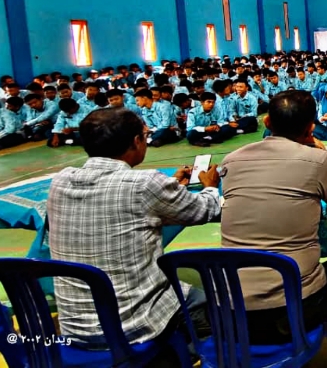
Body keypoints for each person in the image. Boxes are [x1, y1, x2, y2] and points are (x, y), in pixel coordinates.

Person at [47, 108, 221, 365]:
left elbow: (119, 203)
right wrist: (209, 186)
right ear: (137, 141)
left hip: (75, 328)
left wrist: (172, 185)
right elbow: (204, 210)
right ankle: (182, 353)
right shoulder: (145, 183)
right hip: (132, 327)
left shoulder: (60, 181)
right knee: (211, 302)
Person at [219, 90, 327, 366]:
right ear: (312, 127)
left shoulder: (231, 160)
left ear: (266, 122)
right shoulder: (317, 160)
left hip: (231, 309)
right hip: (291, 308)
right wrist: (321, 153)